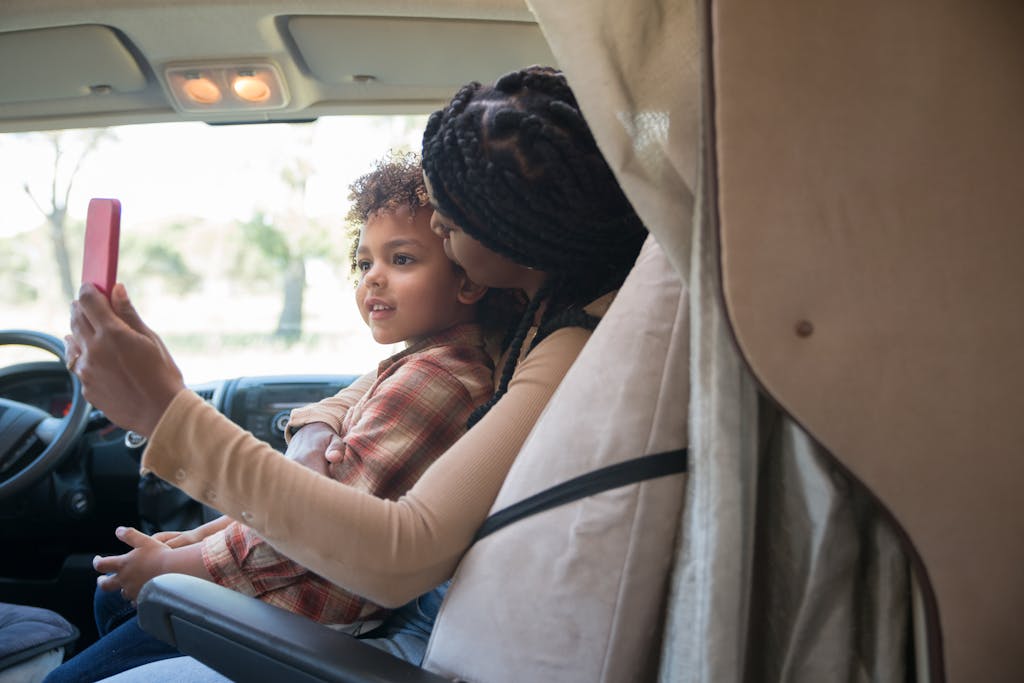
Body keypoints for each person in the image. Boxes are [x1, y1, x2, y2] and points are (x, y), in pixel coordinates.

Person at [66, 66, 648, 681]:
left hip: (395, 624)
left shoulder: (568, 344)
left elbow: (404, 549)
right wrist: (314, 433)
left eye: (455, 212)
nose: (440, 220)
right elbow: (375, 383)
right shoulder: (525, 314)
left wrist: (168, 412)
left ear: (519, 226)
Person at [46, 152, 505, 683]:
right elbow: (301, 494)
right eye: (364, 264)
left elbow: (318, 525)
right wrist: (199, 541)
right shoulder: (417, 363)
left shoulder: (435, 381)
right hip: (291, 584)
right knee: (112, 602)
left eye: (401, 260)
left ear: (467, 281)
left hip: (302, 609)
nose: (373, 279)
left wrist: (183, 564)